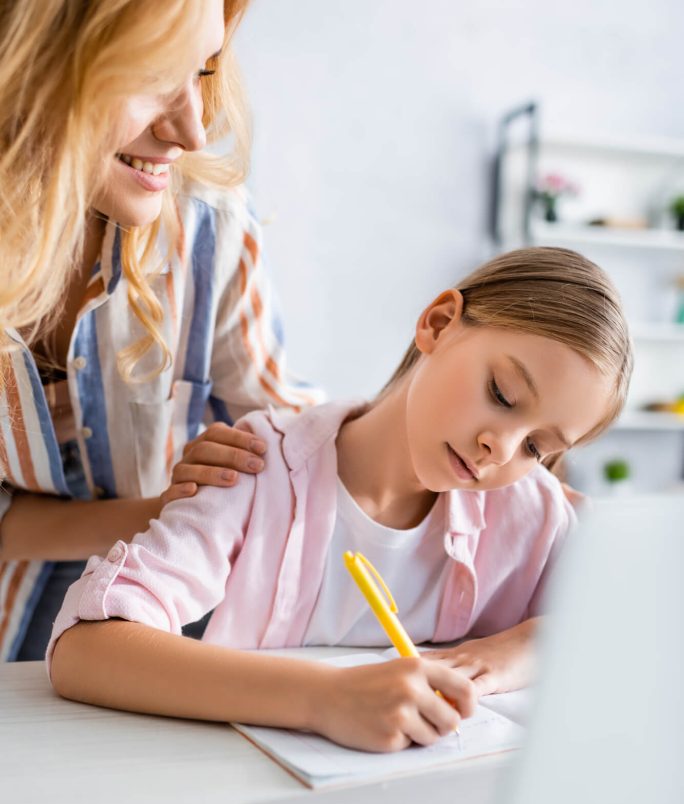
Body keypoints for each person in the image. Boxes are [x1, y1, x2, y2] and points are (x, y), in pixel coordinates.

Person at [48, 246, 633, 753]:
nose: (498, 449)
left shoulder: (534, 511)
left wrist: (528, 644)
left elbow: (631, 625)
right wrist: (323, 699)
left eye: (537, 446)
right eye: (502, 395)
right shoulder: (257, 468)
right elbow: (84, 648)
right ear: (438, 322)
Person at [0, 0, 320, 661]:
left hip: (161, 639)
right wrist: (166, 507)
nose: (192, 132)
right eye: (152, 73)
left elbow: (289, 435)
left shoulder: (210, 227)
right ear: (32, 68)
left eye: (202, 72)